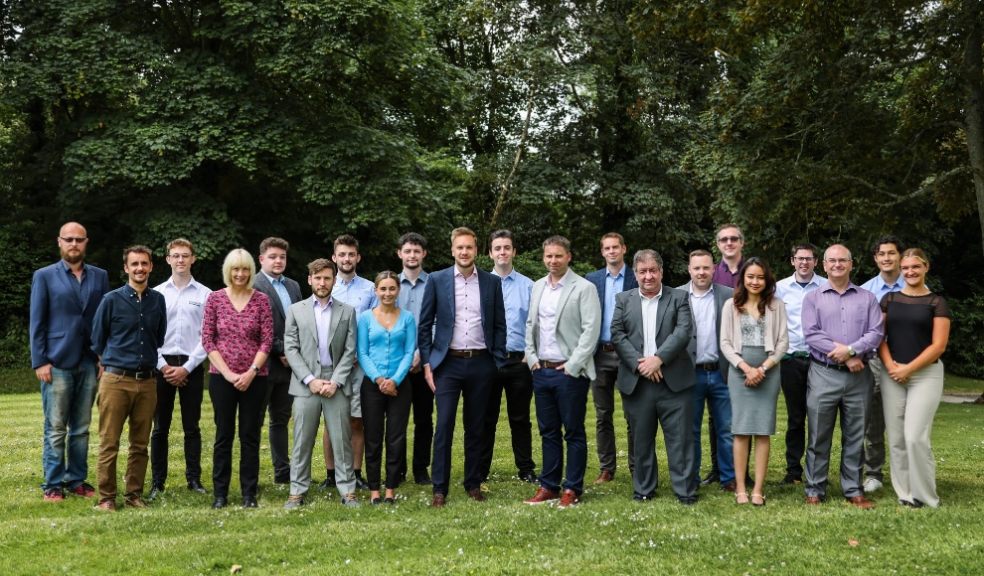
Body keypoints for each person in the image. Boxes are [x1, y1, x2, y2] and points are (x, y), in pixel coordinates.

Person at [418, 227, 507, 507]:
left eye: (469, 247)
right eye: (460, 248)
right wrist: (429, 362)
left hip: (482, 362)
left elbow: (499, 325)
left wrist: (497, 360)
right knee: (443, 426)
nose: (464, 252)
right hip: (448, 364)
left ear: (476, 251)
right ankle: (439, 488)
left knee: (476, 426)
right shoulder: (437, 279)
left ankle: (473, 483)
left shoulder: (492, 283)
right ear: (452, 250)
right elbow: (424, 325)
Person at [30, 222, 109, 502]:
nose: (74, 244)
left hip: (89, 361)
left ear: (86, 242)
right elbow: (37, 322)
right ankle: (52, 483)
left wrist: (102, 356)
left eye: (79, 240)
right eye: (69, 239)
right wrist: (40, 361)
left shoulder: (100, 277)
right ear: (59, 242)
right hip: (57, 361)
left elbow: (103, 321)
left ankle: (76, 479)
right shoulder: (44, 276)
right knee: (55, 427)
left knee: (81, 427)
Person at [611, 249, 697, 505]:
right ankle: (644, 488)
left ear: (661, 271)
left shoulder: (679, 297)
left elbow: (683, 332)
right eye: (642, 271)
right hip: (638, 382)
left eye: (652, 271)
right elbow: (617, 334)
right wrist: (642, 365)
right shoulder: (623, 299)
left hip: (674, 382)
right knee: (641, 440)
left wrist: (658, 359)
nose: (648, 276)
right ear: (635, 274)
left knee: (680, 440)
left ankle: (685, 490)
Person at [802, 244, 883, 509]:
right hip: (823, 373)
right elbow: (812, 334)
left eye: (842, 260)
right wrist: (847, 356)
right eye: (832, 261)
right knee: (818, 434)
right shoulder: (813, 298)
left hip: (859, 377)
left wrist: (851, 350)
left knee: (855, 434)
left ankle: (853, 489)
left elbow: (875, 333)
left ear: (851, 264)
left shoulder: (867, 298)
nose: (837, 264)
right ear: (824, 265)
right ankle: (815, 488)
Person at [523, 236, 601, 508]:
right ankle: (549, 486)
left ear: (569, 256)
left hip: (570, 373)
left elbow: (591, 331)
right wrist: (531, 358)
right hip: (541, 370)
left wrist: (572, 365)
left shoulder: (584, 288)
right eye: (548, 256)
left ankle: (572, 488)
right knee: (548, 432)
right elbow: (531, 323)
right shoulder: (537, 287)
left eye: (558, 256)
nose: (552, 261)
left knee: (574, 432)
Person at [91, 246, 168, 510]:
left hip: (147, 382)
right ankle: (107, 498)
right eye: (134, 264)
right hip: (115, 380)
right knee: (109, 442)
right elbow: (97, 340)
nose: (139, 268)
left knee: (140, 443)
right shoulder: (111, 300)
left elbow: (159, 337)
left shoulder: (158, 300)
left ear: (150, 267)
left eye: (144, 264)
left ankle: (133, 494)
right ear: (126, 268)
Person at [282, 259, 360, 509]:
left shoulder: (347, 311)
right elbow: (291, 349)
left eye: (327, 278)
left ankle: (348, 490)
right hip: (306, 382)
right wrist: (311, 380)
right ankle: (297, 491)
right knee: (302, 439)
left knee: (341, 438)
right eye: (318, 278)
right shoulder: (296, 310)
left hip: (336, 381)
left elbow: (350, 351)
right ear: (310, 280)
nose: (322, 282)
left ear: (333, 280)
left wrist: (335, 381)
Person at [201, 249, 274, 509]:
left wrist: (250, 372)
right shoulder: (215, 299)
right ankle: (220, 494)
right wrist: (230, 374)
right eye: (235, 269)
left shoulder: (262, 300)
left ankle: (248, 494)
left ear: (251, 271)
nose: (240, 274)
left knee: (250, 436)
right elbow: (208, 340)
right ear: (228, 271)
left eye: (245, 269)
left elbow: (267, 340)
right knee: (223, 436)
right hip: (222, 378)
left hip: (256, 378)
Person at [878, 248, 951, 508]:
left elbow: (938, 345)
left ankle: (926, 496)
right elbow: (880, 338)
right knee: (896, 439)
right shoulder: (889, 299)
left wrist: (908, 369)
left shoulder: (936, 302)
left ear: (925, 268)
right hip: (892, 375)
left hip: (926, 375)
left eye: (915, 267)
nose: (910, 272)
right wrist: (891, 367)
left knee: (915, 437)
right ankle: (906, 494)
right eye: (906, 268)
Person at [719, 258, 789, 506]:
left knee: (762, 431)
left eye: (760, 277)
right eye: (750, 277)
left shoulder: (776, 305)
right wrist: (747, 368)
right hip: (739, 373)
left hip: (768, 373)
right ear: (743, 279)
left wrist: (762, 369)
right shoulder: (731, 305)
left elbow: (782, 343)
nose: (755, 281)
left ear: (766, 279)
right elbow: (725, 343)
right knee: (740, 430)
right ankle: (740, 488)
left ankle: (758, 489)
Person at [149, 238, 212, 500]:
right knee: (160, 427)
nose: (180, 260)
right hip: (161, 365)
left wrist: (186, 367)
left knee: (192, 427)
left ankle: (194, 480)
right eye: (175, 256)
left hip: (192, 365)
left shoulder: (206, 294)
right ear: (167, 259)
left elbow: (207, 336)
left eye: (185, 256)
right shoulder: (156, 293)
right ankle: (157, 482)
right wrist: (164, 366)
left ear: (193, 258)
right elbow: (148, 335)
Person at [321, 234, 378, 490]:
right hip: (329, 365)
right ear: (334, 257)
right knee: (330, 420)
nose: (346, 259)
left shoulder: (369, 289)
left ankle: (356, 473)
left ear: (358, 257)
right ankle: (331, 475)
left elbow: (374, 325)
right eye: (341, 254)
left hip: (358, 364)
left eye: (351, 254)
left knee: (357, 420)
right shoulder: (325, 286)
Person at [482, 230, 537, 485]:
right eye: (497, 248)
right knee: (486, 418)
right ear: (490, 253)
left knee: (520, 419)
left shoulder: (529, 286)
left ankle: (525, 469)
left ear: (514, 252)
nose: (502, 252)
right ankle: (480, 470)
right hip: (489, 362)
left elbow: (537, 323)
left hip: (519, 361)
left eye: (507, 248)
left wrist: (531, 353)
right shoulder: (480, 284)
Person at [678, 249, 735, 492]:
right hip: (690, 373)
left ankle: (729, 477)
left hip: (722, 372)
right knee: (689, 429)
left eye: (706, 267)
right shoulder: (676, 295)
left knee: (727, 429)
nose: (701, 272)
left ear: (713, 269)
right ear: (689, 270)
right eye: (696, 268)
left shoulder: (729, 296)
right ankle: (691, 477)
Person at [358, 271, 417, 504]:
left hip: (400, 385)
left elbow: (409, 351)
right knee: (373, 437)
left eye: (392, 288)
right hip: (372, 386)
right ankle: (374, 489)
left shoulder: (408, 318)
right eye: (383, 289)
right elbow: (361, 352)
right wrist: (380, 380)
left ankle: (391, 488)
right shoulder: (365, 318)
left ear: (398, 290)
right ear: (376, 291)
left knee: (395, 437)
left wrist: (395, 379)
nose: (387, 293)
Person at [584, 232, 638, 484]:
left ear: (624, 249)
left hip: (629, 355)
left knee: (633, 414)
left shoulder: (637, 277)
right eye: (607, 248)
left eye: (616, 247)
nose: (612, 251)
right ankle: (607, 468)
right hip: (600, 354)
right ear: (602, 252)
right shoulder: (592, 280)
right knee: (603, 414)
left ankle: (637, 466)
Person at [775, 243, 827, 485]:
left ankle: (816, 470)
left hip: (820, 360)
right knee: (796, 417)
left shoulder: (826, 286)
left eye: (809, 259)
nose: (804, 263)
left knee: (819, 417)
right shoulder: (780, 288)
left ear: (816, 262)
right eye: (800, 258)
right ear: (792, 261)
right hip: (791, 360)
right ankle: (793, 470)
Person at [252, 237, 303, 485]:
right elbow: (256, 326)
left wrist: (293, 352)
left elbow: (300, 323)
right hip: (262, 364)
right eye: (273, 257)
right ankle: (249, 475)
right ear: (261, 259)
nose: (278, 261)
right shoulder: (253, 284)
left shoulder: (293, 286)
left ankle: (282, 473)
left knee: (281, 420)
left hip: (289, 366)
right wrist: (280, 349)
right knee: (254, 421)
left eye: (282, 257)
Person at [859, 235, 905, 494]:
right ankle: (873, 472)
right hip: (875, 359)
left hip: (908, 359)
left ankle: (906, 471)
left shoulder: (913, 283)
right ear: (875, 258)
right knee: (873, 417)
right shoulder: (866, 292)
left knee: (906, 417)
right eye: (881, 254)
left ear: (900, 255)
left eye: (891, 253)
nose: (886, 258)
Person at [704, 223, 745, 486]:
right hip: (716, 353)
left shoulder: (752, 271)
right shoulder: (711, 272)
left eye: (733, 239)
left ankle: (739, 470)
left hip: (743, 352)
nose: (728, 243)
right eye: (723, 239)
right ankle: (718, 469)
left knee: (739, 417)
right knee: (714, 418)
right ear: (717, 244)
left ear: (741, 242)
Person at [395, 232, 434, 485]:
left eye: (416, 251)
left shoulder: (435, 283)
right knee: (397, 421)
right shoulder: (389, 284)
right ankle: (396, 470)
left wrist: (421, 353)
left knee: (423, 418)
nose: (412, 255)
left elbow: (438, 321)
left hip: (425, 362)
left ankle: (421, 469)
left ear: (423, 255)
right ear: (400, 253)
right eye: (407, 251)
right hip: (395, 363)